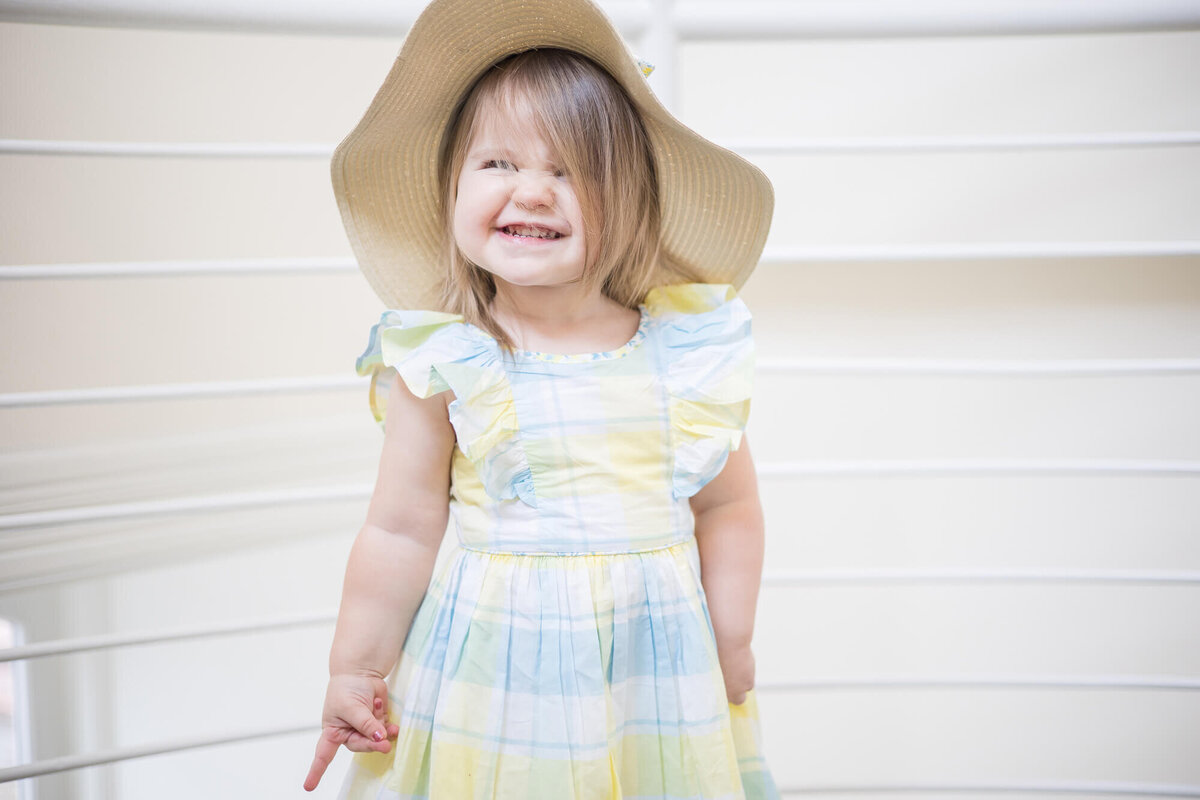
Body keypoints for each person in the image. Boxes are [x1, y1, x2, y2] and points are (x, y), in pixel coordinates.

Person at [304, 0, 778, 796]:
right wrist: (356, 667)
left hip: (653, 675)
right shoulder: (453, 359)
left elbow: (729, 506)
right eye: (499, 164)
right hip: (495, 673)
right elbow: (399, 529)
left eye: (569, 170)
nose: (531, 191)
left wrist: (731, 636)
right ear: (451, 186)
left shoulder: (683, 355)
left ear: (628, 205)